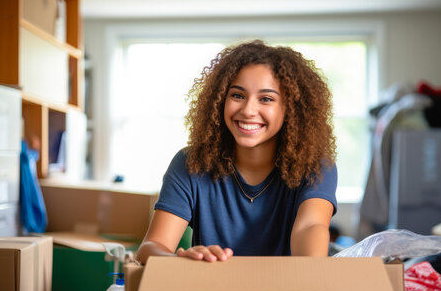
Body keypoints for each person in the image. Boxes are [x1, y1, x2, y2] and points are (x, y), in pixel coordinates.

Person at [136, 40, 337, 264]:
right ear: (220, 100)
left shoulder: (314, 166)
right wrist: (180, 260)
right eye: (238, 95)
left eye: (266, 99)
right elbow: (152, 246)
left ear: (291, 109)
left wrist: (312, 269)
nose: (248, 110)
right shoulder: (190, 163)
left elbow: (311, 226)